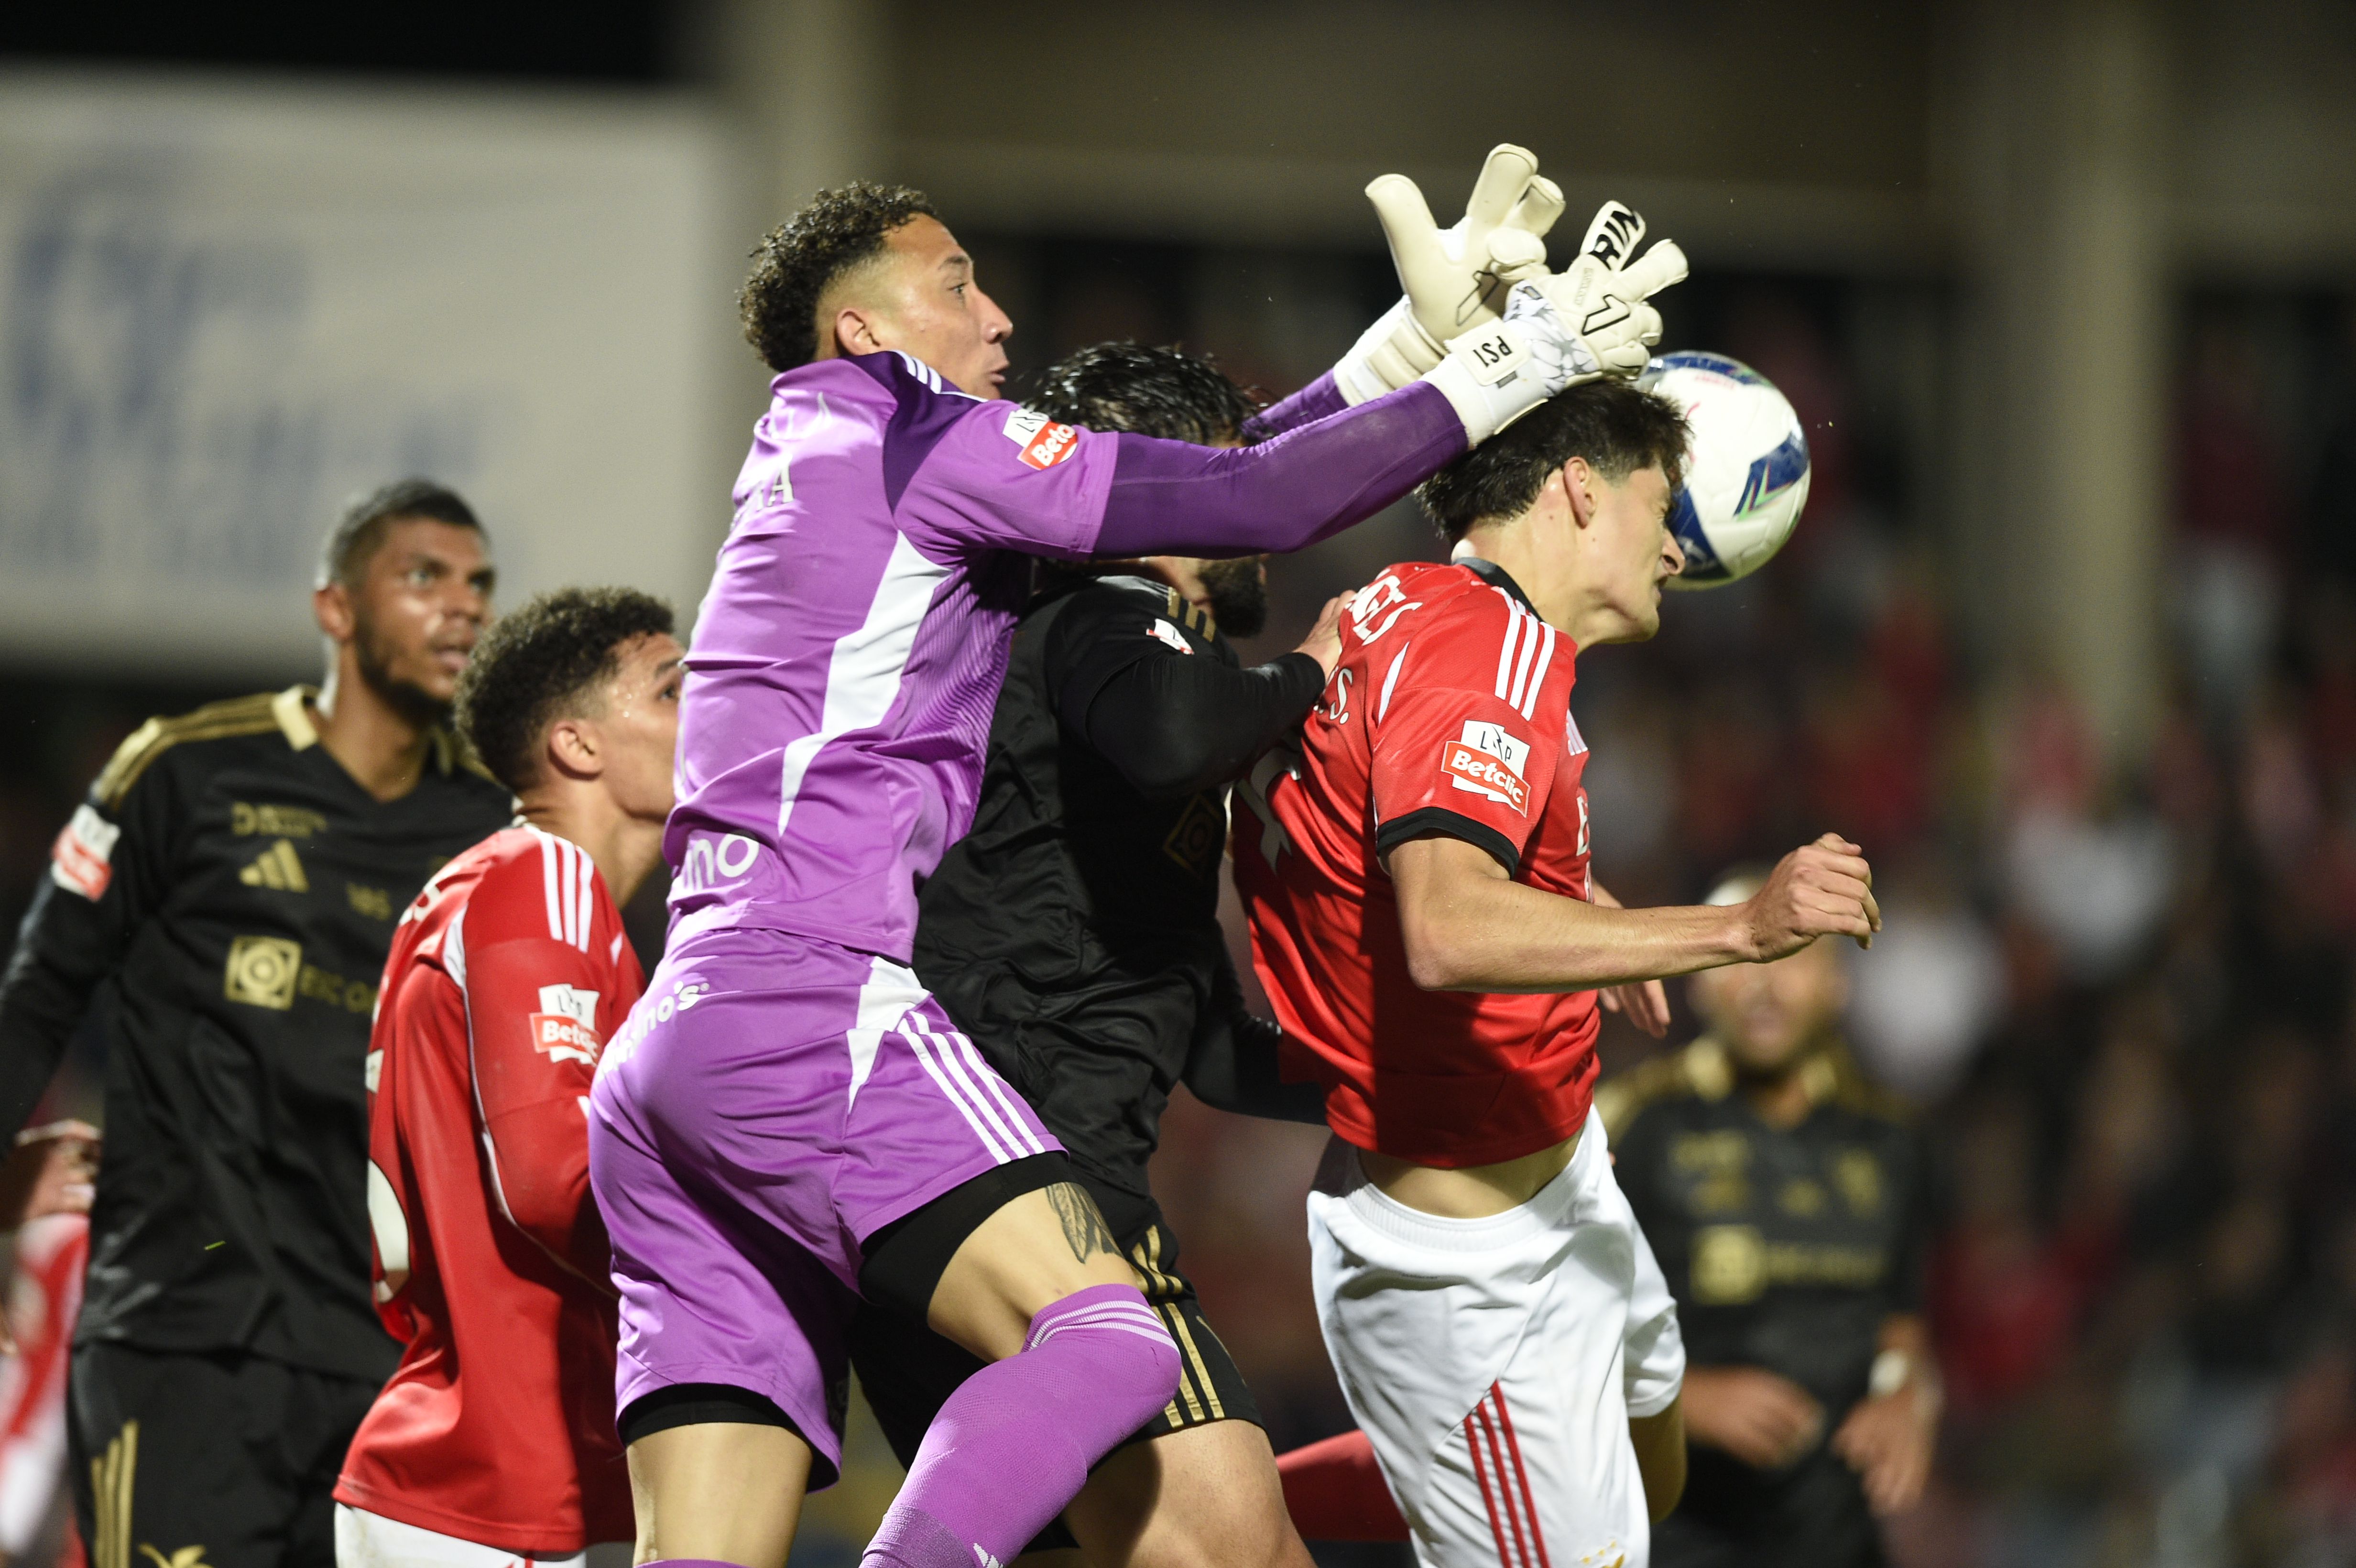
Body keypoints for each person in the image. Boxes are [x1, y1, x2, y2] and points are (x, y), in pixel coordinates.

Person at [586, 148, 1690, 1568]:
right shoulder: (927, 450)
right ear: (863, 329)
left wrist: (1409, 354)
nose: (997, 320)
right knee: (1146, 1400)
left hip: (707, 1044)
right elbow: (1234, 515)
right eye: (957, 282)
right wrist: (1510, 361)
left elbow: (1215, 495)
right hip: (884, 1066)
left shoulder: (880, 505)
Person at [1232, 382, 1882, 1568]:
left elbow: (1379, 835)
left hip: (1554, 1177)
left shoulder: (1402, 607)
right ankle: (1202, 1513)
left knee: (1652, 1452)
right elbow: (1444, 926)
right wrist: (1739, 928)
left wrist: (1574, 904)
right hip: (1470, 1266)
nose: (1678, 540)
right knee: (1589, 1518)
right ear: (1579, 489)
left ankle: (1245, 1496)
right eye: (1656, 499)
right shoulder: (1490, 647)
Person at [851, 343, 1335, 1568]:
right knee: (1247, 1554)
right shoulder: (1102, 612)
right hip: (1030, 1182)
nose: (1257, 511)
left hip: (965, 1184)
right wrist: (1319, 669)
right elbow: (1176, 738)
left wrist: (1417, 1087)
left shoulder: (1139, 662)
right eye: (1235, 477)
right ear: (1163, 491)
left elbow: (1215, 1050)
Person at [0, 480, 513, 1568]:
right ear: (336, 607)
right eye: (424, 576)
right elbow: (39, 992)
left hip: (394, 1365)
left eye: (478, 584)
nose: (462, 606)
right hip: (187, 1333)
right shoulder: (182, 770)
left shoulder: (492, 826)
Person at [333, 588, 683, 1568]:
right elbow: (553, 1183)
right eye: (671, 688)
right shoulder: (547, 880)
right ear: (578, 746)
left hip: (463, 1476)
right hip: (515, 1488)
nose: (709, 705)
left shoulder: (477, 888)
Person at [1597, 868, 1936, 1568]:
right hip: (1680, 1531)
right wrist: (1683, 1398)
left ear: (1839, 985)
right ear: (1698, 979)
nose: (1766, 982)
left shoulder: (1891, 1141)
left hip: (1837, 1537)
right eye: (1743, 958)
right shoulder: (1631, 1128)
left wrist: (1907, 1395)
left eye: (1799, 956)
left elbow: (1901, 1318)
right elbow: (1557, 1321)